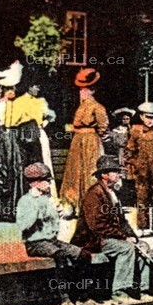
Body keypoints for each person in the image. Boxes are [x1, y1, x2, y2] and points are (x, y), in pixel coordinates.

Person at [14, 162, 93, 305]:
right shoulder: (25, 201)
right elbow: (23, 226)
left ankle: (82, 296)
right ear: (34, 183)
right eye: (46, 181)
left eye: (49, 180)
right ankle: (65, 299)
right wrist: (38, 210)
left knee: (82, 255)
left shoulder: (48, 198)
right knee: (60, 255)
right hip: (35, 243)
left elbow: (57, 218)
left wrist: (64, 212)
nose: (49, 184)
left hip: (52, 241)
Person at [71, 155, 149, 301]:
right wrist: (124, 237)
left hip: (110, 238)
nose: (119, 174)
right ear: (104, 175)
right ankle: (119, 290)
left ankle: (142, 289)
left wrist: (133, 236)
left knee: (142, 246)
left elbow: (122, 221)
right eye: (115, 171)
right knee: (126, 248)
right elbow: (97, 226)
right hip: (94, 241)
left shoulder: (113, 194)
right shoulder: (93, 195)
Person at [0, 62, 31, 222]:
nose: (11, 92)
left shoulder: (19, 105)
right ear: (3, 90)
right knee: (0, 171)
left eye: (13, 89)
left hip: (15, 142)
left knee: (16, 171)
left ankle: (14, 210)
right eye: (8, 89)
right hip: (0, 141)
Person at [61, 68, 108, 209]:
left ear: (92, 90)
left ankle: (91, 203)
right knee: (75, 171)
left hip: (90, 142)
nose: (82, 92)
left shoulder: (97, 107)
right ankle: (73, 203)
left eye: (85, 90)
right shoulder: (80, 107)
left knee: (90, 170)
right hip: (78, 141)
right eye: (81, 90)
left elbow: (103, 126)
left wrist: (95, 137)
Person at [124, 102, 153, 227]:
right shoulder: (135, 131)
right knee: (142, 198)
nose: (150, 121)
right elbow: (128, 153)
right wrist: (136, 164)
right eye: (147, 117)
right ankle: (142, 226)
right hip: (141, 172)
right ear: (141, 117)